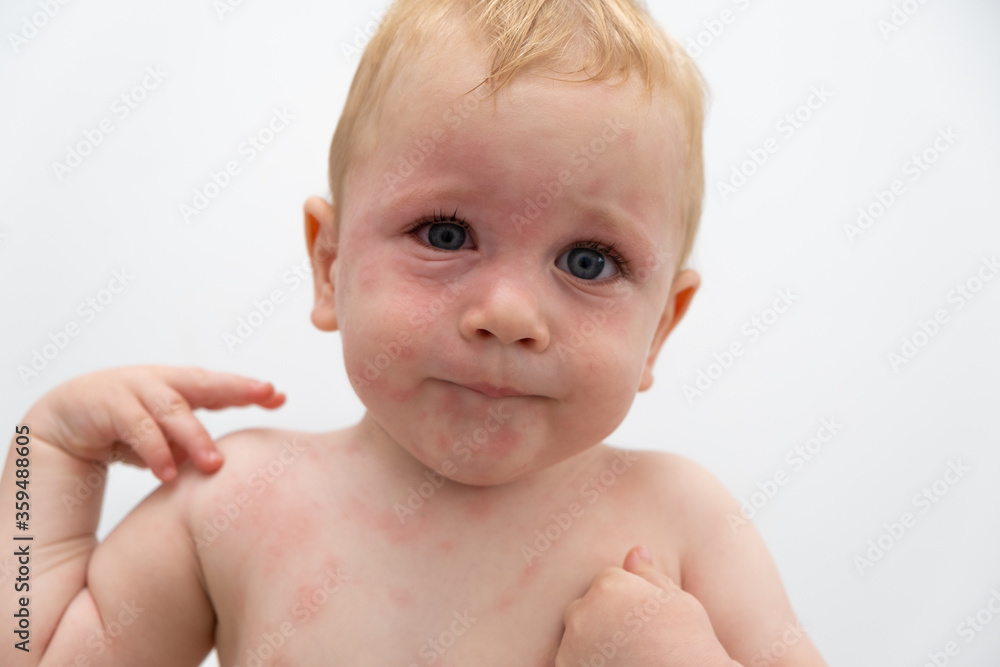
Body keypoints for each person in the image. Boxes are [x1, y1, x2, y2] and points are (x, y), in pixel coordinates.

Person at [2, 0, 827, 664]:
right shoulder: (231, 502)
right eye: (444, 234)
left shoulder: (683, 517)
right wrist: (46, 460)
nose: (507, 312)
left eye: (587, 259)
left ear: (660, 330)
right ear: (329, 265)